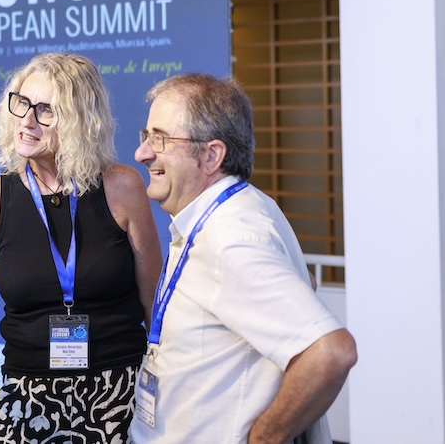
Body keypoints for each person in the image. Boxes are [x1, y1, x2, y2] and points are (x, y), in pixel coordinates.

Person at [130, 73, 357, 444]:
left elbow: (330, 352)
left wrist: (264, 438)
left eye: (161, 139)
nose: (142, 153)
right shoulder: (241, 209)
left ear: (211, 155)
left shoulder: (229, 238)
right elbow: (300, 286)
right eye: (147, 136)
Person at [0, 52, 162, 444]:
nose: (26, 120)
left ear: (80, 121)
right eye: (22, 103)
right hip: (27, 398)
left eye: (45, 110)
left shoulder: (123, 188)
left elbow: (154, 303)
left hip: (119, 392)